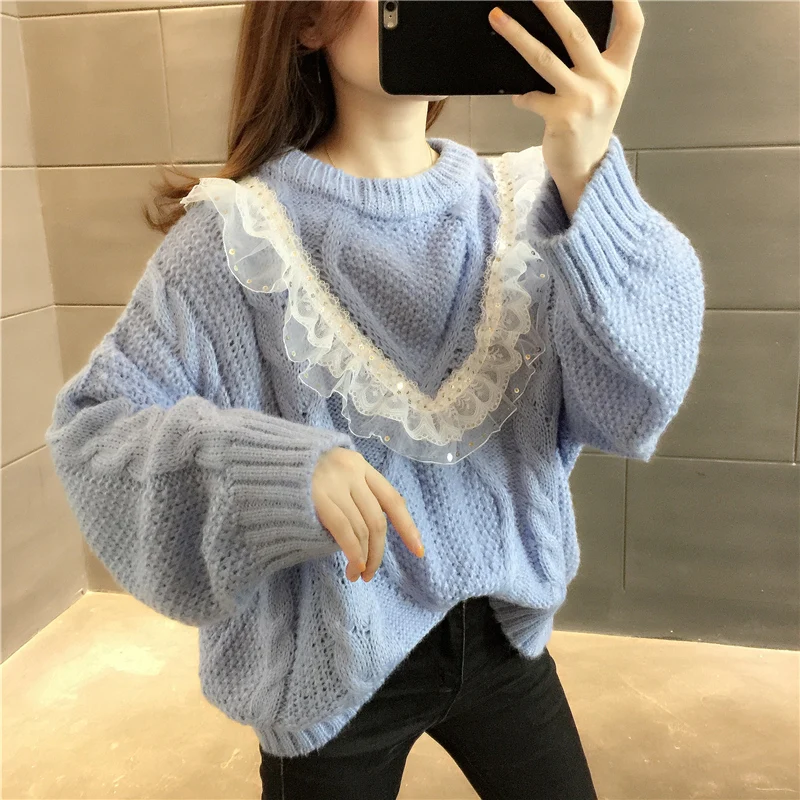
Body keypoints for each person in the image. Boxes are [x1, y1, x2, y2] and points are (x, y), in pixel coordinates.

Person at [45, 1, 705, 798]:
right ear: (306, 22)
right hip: (326, 659)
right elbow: (96, 430)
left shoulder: (535, 203)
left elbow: (638, 403)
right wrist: (281, 473)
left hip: (503, 637)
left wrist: (589, 173)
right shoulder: (232, 239)